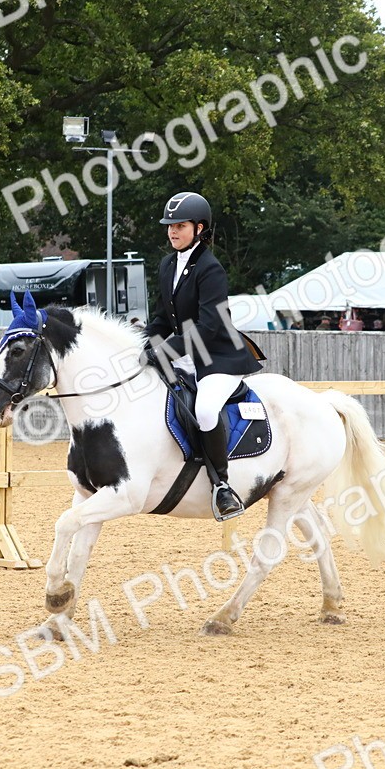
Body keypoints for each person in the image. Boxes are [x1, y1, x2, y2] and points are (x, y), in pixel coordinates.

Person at [142, 191, 264, 521]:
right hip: (185, 356)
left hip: (217, 358)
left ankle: (221, 485)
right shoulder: (168, 264)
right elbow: (160, 319)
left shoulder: (211, 269)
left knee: (206, 410)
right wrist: (142, 344)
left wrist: (166, 350)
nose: (172, 231)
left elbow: (209, 325)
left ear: (199, 229)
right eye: (169, 226)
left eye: (179, 226)